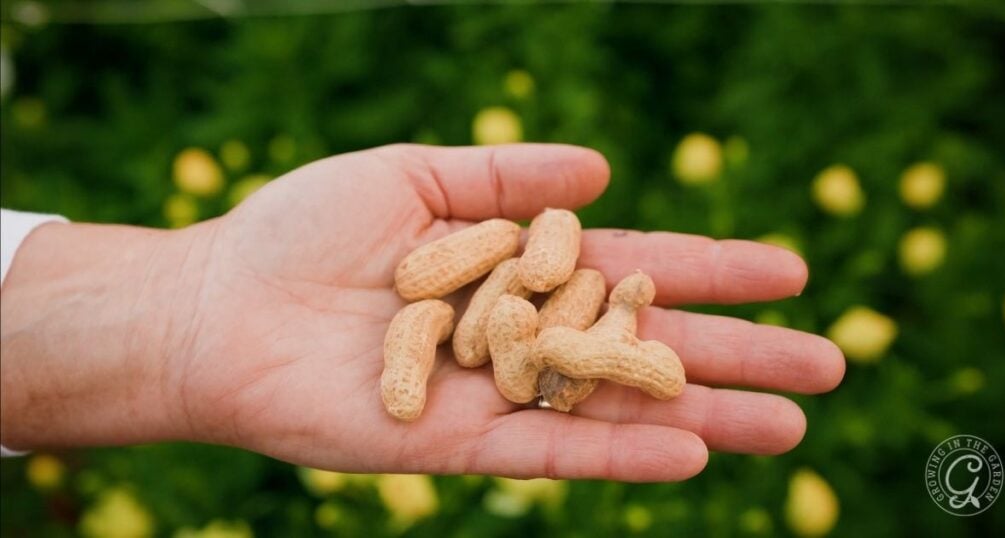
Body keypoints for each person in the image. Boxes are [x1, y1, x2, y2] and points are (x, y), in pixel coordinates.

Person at [0, 143, 844, 482]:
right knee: (496, 328)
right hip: (537, 326)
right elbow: (431, 299)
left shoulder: (551, 294)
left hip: (559, 326)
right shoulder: (510, 296)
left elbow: (508, 307)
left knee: (534, 324)